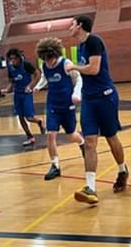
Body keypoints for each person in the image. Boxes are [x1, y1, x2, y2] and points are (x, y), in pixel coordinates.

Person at [69, 15, 128, 204]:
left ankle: (122, 170)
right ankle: (91, 188)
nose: (70, 27)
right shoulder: (80, 47)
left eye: (72, 24)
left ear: (80, 25)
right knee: (89, 142)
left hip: (105, 96)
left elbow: (94, 69)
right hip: (89, 99)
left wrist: (73, 67)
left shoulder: (94, 41)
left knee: (111, 137)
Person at [34, 38, 86, 180]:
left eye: (50, 59)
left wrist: (76, 93)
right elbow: (45, 78)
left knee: (71, 135)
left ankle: (82, 143)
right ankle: (55, 166)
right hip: (52, 104)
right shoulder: (44, 65)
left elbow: (79, 79)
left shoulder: (66, 64)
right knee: (51, 134)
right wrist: (38, 86)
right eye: (45, 59)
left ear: (55, 55)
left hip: (67, 104)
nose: (48, 62)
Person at [1, 48, 44, 146]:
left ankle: (39, 121)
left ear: (19, 58)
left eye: (14, 59)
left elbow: (37, 74)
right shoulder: (10, 68)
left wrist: (30, 86)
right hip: (17, 94)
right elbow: (12, 81)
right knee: (20, 117)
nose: (13, 61)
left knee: (29, 117)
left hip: (26, 93)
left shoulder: (26, 65)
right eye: (11, 59)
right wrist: (7, 89)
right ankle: (30, 137)